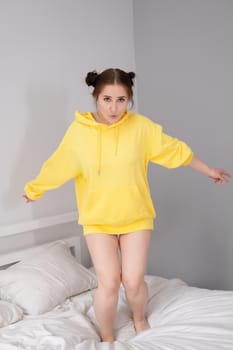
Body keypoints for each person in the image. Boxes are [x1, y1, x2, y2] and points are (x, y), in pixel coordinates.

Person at [23, 68, 231, 342]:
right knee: (109, 283)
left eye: (121, 100)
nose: (114, 107)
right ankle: (107, 336)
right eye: (107, 99)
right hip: (98, 221)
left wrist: (209, 170)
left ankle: (139, 317)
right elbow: (58, 164)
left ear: (129, 100)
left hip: (136, 218)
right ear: (95, 97)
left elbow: (175, 150)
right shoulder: (79, 133)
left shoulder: (141, 127)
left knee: (133, 282)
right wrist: (35, 189)